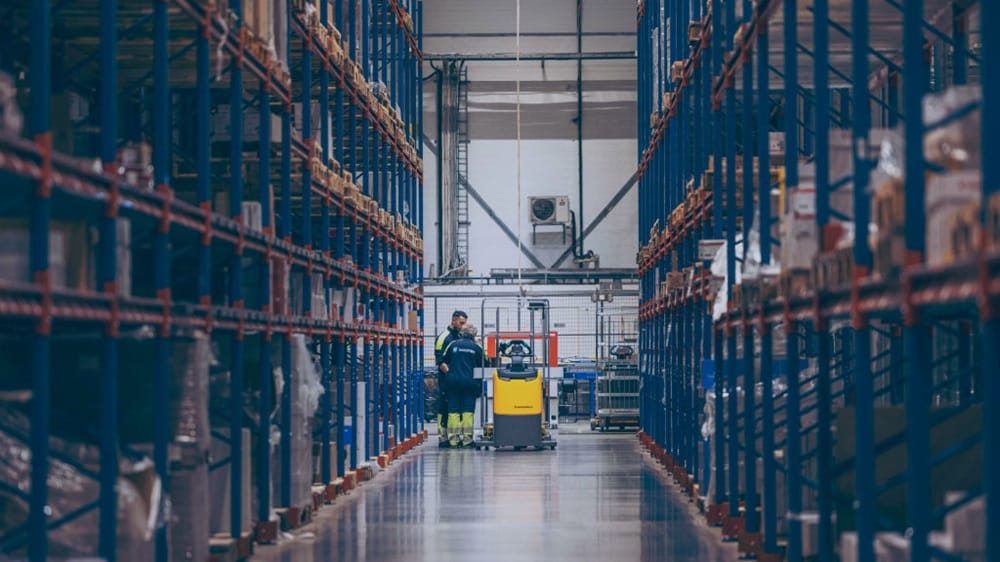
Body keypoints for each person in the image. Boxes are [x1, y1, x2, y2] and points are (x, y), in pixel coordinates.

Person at [442, 323, 485, 447]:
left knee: (453, 411)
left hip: (453, 382)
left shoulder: (453, 344)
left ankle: (453, 440)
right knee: (467, 411)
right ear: (474, 335)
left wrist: (450, 373)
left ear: (462, 333)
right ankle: (467, 440)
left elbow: (443, 362)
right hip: (470, 383)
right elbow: (484, 365)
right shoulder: (477, 348)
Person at [434, 310, 467, 447]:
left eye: (464, 323)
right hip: (446, 380)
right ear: (453, 321)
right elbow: (440, 361)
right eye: (461, 323)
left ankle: (454, 436)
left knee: (455, 409)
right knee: (444, 407)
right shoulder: (444, 337)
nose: (463, 326)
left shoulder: (459, 336)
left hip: (456, 380)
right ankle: (443, 438)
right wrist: (451, 376)